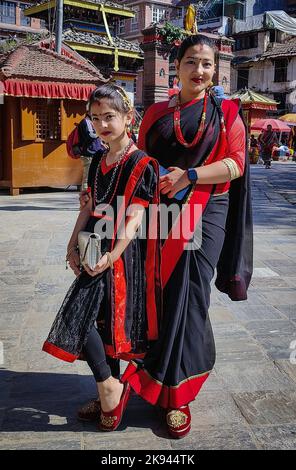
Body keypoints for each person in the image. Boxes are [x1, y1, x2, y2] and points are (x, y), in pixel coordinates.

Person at [119, 34, 253, 438]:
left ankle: (179, 393)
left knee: (190, 291)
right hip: (160, 211)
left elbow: (236, 164)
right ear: (175, 66)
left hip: (208, 209)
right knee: (159, 293)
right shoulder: (156, 113)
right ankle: (153, 374)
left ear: (216, 71)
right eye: (192, 61)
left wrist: (190, 176)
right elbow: (138, 161)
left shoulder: (227, 112)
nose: (200, 70)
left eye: (208, 64)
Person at [42, 83, 161, 431]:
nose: (102, 125)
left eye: (109, 117)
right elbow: (89, 206)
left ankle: (109, 387)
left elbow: (135, 219)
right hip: (93, 244)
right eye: (95, 119)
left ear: (128, 117)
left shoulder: (142, 164)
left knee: (87, 317)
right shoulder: (97, 161)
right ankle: (111, 386)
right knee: (98, 320)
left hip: (121, 255)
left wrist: (113, 256)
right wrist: (70, 245)